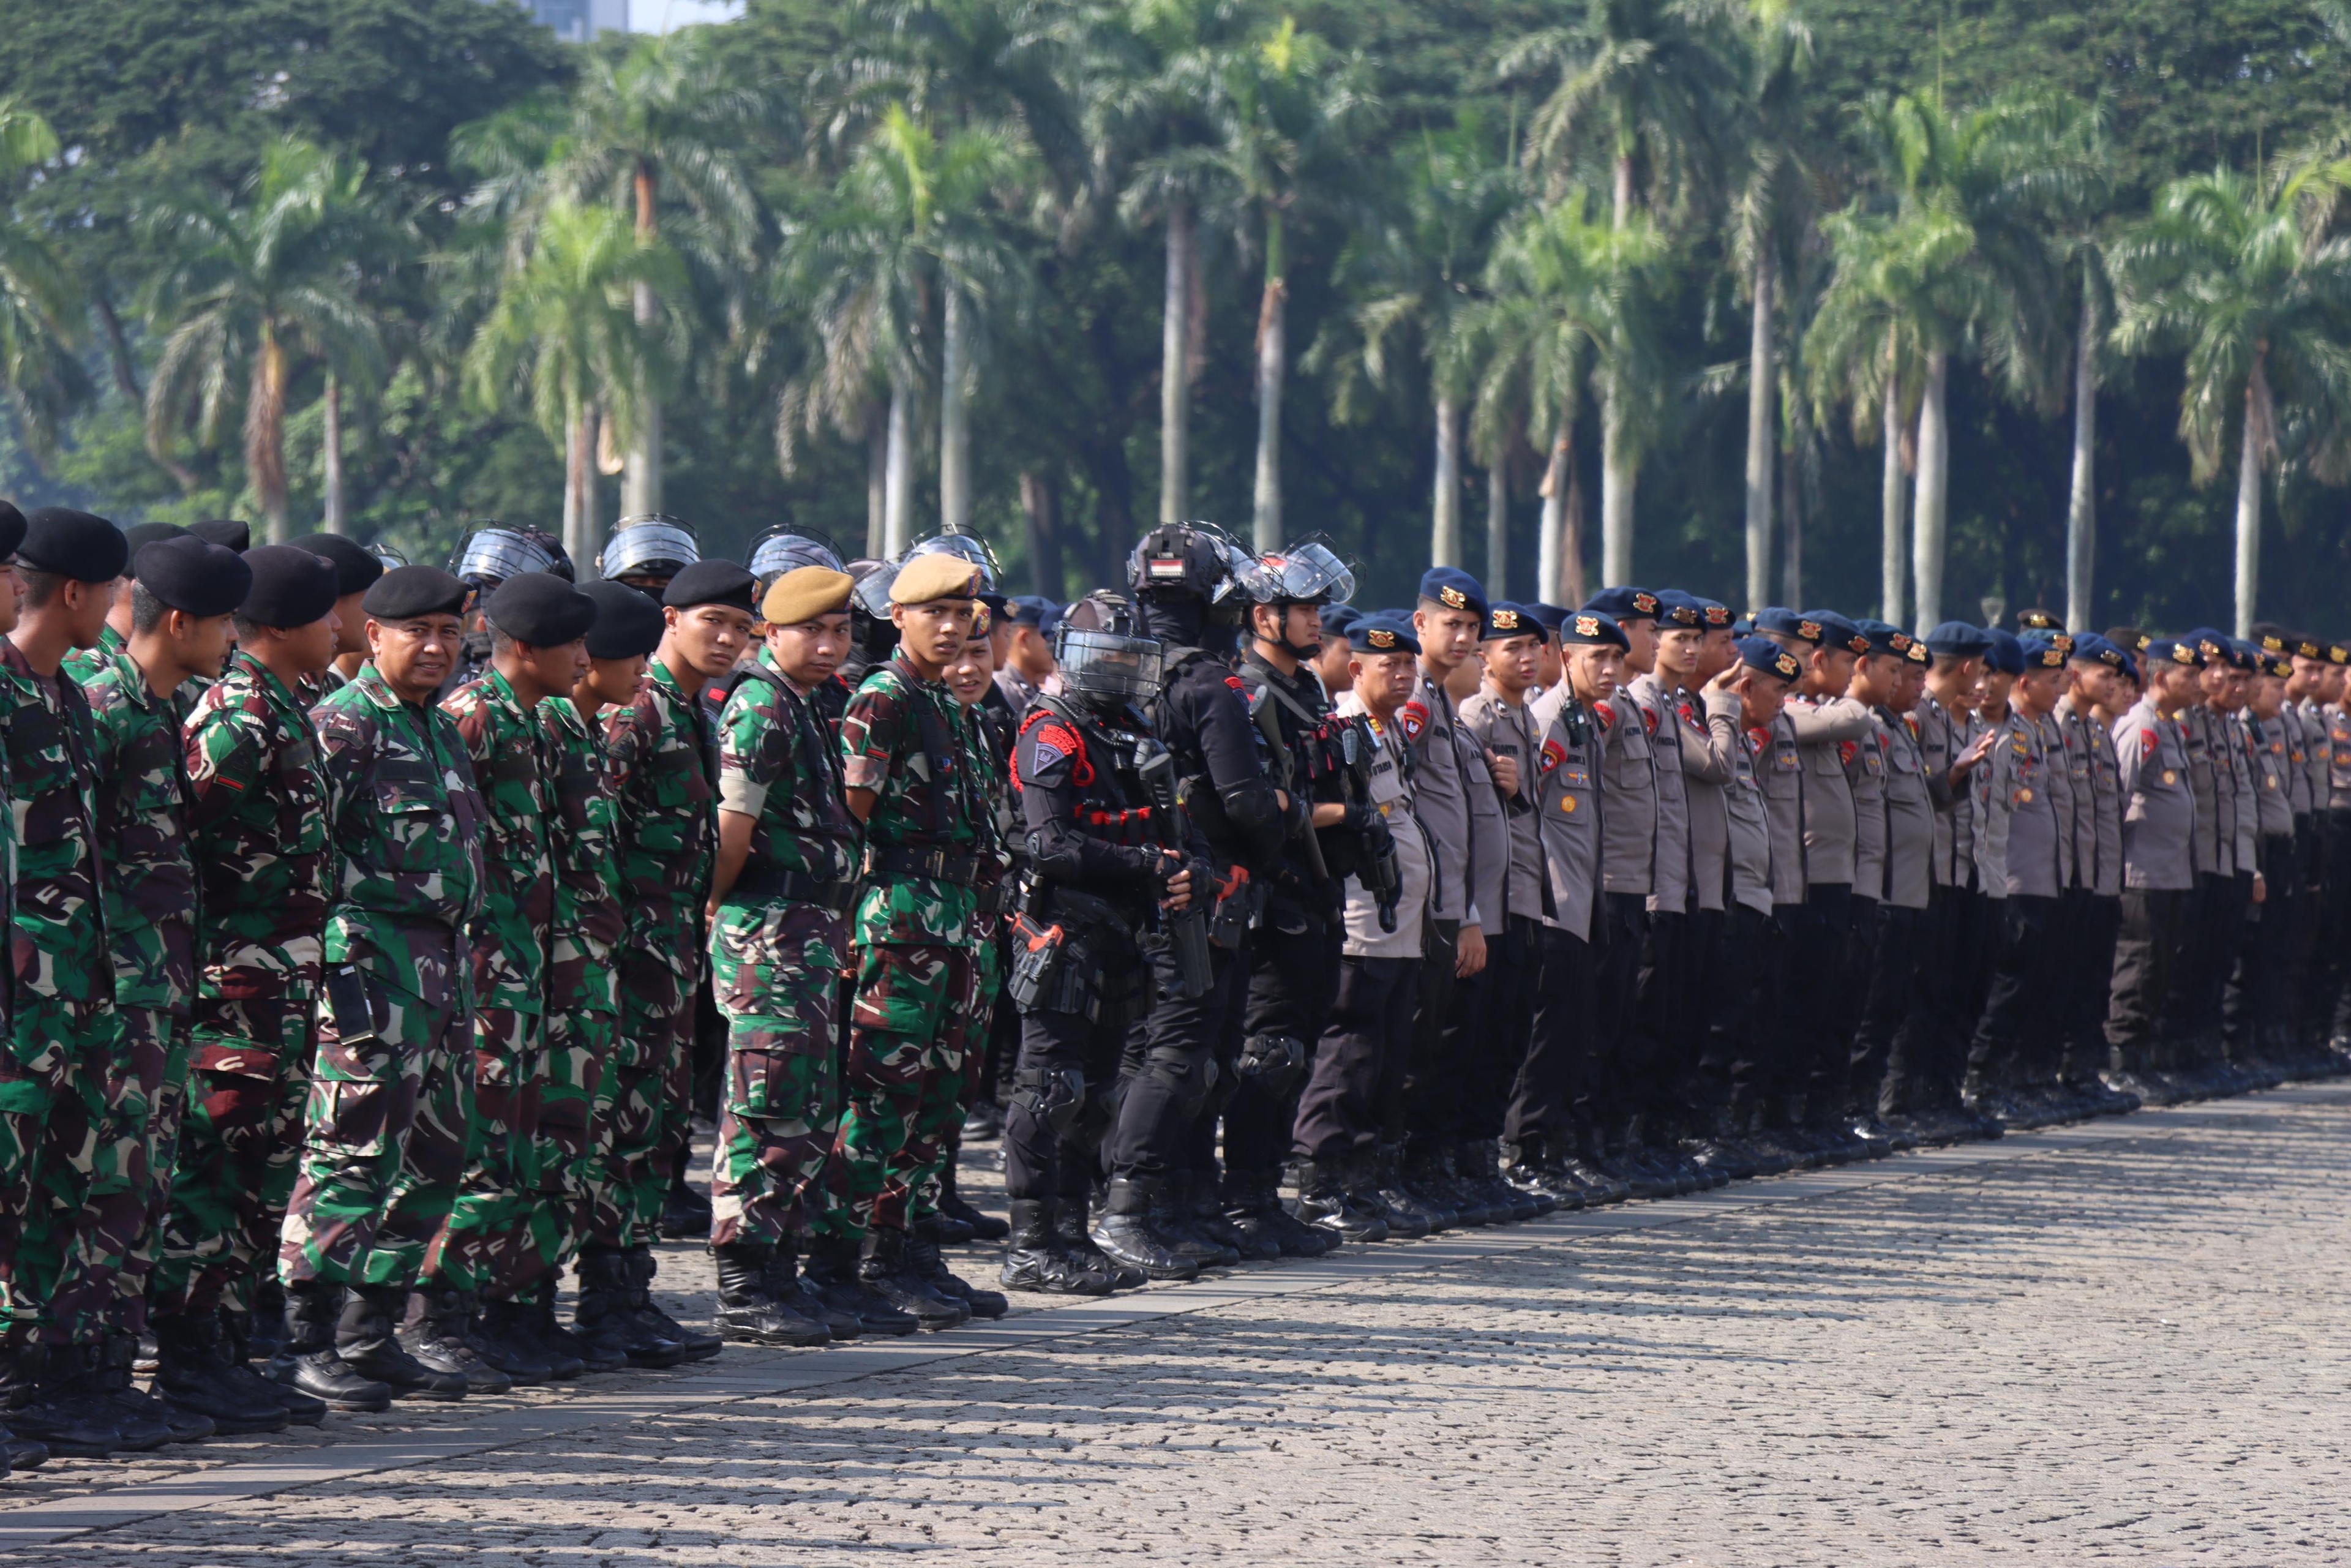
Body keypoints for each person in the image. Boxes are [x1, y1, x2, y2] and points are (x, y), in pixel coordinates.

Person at [277, 563, 487, 1405]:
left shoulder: (435, 727)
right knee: (353, 1148)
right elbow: (304, 855)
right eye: (417, 633)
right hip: (372, 963)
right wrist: (336, 963)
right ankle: (305, 1330)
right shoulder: (344, 726)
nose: (437, 647)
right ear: (374, 638)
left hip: (444, 965)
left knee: (437, 1150)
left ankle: (372, 1329)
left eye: (449, 632)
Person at [154, 547, 349, 1424]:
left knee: (258, 1173)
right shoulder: (239, 716)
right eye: (327, 616)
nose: (341, 629)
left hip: (281, 984)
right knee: (215, 1166)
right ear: (281, 628)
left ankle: (231, 1349)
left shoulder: (287, 708)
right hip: (236, 984)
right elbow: (179, 838)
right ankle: (192, 1359)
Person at [69, 536, 251, 1447]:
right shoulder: (103, 709)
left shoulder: (157, 708)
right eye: (223, 622)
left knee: (133, 1183)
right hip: (100, 998)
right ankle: (56, 1378)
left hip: (157, 991)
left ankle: (100, 1371)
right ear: (179, 622)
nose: (232, 639)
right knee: (89, 1184)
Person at [410, 573, 597, 1390]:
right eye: (573, 646)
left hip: (533, 971)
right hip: (484, 974)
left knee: (528, 1146)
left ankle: (503, 1308)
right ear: (522, 649)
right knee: (477, 1149)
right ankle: (433, 1317)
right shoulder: (472, 719)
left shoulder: (542, 720)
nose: (588, 662)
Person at [819, 550, 1005, 1330]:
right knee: (881, 1097)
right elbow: (852, 815)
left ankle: (909, 1249)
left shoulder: (950, 703)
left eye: (963, 614)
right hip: (900, 921)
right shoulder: (884, 698)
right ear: (899, 617)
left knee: (939, 1099)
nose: (952, 626)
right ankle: (840, 1257)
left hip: (957, 920)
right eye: (936, 612)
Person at [1126, 524, 1316, 1258]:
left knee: (1173, 1052)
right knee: (1185, 1054)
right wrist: (1288, 821)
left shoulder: (1128, 670)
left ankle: (1187, 1202)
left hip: (1148, 882)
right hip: (1208, 891)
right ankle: (1135, 1207)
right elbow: (1245, 800)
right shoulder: (1209, 683)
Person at [703, 566, 866, 1345]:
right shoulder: (763, 704)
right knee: (764, 1101)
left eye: (840, 632)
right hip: (766, 923)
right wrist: (716, 903)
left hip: (807, 927)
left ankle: (780, 1268)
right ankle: (743, 1279)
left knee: (803, 1105)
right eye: (813, 631)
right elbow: (733, 830)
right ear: (772, 634)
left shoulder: (807, 702)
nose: (830, 645)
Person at [593, 561, 751, 1362]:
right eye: (711, 621)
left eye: (740, 628)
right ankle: (604, 1299)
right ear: (671, 620)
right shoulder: (638, 711)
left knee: (651, 1127)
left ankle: (627, 1290)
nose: (726, 639)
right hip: (628, 954)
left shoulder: (689, 710)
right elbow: (602, 838)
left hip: (670, 952)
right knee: (620, 1125)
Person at [0, 508, 130, 1461]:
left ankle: (25, 1385)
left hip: (69, 990)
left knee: (54, 1190)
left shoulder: (66, 699)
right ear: (78, 592)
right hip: (14, 994)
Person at [544, 582, 691, 1368]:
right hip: (604, 960)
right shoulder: (603, 729)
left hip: (648, 954)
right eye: (628, 657)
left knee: (645, 1126)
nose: (642, 671)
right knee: (596, 1129)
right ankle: (587, 1301)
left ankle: (623, 1292)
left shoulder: (609, 719)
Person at [1307, 614, 1436, 1234]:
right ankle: (1320, 1183)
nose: (1405, 675)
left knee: (1384, 1058)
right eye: (1391, 665)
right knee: (1348, 1055)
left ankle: (1363, 1180)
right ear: (1355, 668)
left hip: (1400, 926)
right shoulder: (1339, 728)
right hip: (1361, 922)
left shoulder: (1388, 731)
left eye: (1411, 665)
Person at [1502, 609, 1624, 1201]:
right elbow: (1529, 810)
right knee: (1547, 1038)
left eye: (1616, 659)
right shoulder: (1550, 718)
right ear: (1567, 657)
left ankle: (1551, 1149)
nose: (1608, 668)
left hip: (1582, 902)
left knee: (1573, 1035)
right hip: (1554, 903)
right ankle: (1524, 1153)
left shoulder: (1584, 721)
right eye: (1596, 657)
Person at [2105, 639, 2205, 1103]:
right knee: (2138, 967)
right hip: (2142, 871)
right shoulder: (2141, 725)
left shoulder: (2168, 727)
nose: (2198, 684)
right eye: (2189, 676)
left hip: (2169, 871)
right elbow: (2120, 795)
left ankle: (2142, 1058)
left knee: (2159, 968)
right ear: (2162, 677)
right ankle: (2123, 1061)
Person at [286, 534, 386, 698]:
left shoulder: (331, 688)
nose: (377, 615)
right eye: (370, 601)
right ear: (328, 604)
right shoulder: (281, 692)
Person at [599, 514, 700, 601]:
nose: (649, 592)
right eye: (636, 582)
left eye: (662, 584)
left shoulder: (694, 621)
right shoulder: (595, 620)